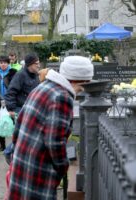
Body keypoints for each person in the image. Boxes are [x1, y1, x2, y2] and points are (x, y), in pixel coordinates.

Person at [6, 56, 94, 199]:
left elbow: (19, 124)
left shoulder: (43, 87)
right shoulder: (62, 96)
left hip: (23, 163)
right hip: (39, 169)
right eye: (82, 87)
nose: (80, 93)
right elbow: (55, 142)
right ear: (79, 81)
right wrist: (62, 167)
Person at [0, 55, 17, 152]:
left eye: (5, 62)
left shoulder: (13, 72)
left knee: (14, 121)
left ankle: (15, 144)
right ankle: (2, 145)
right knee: (0, 122)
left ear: (8, 63)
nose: (3, 64)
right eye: (1, 62)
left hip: (11, 100)